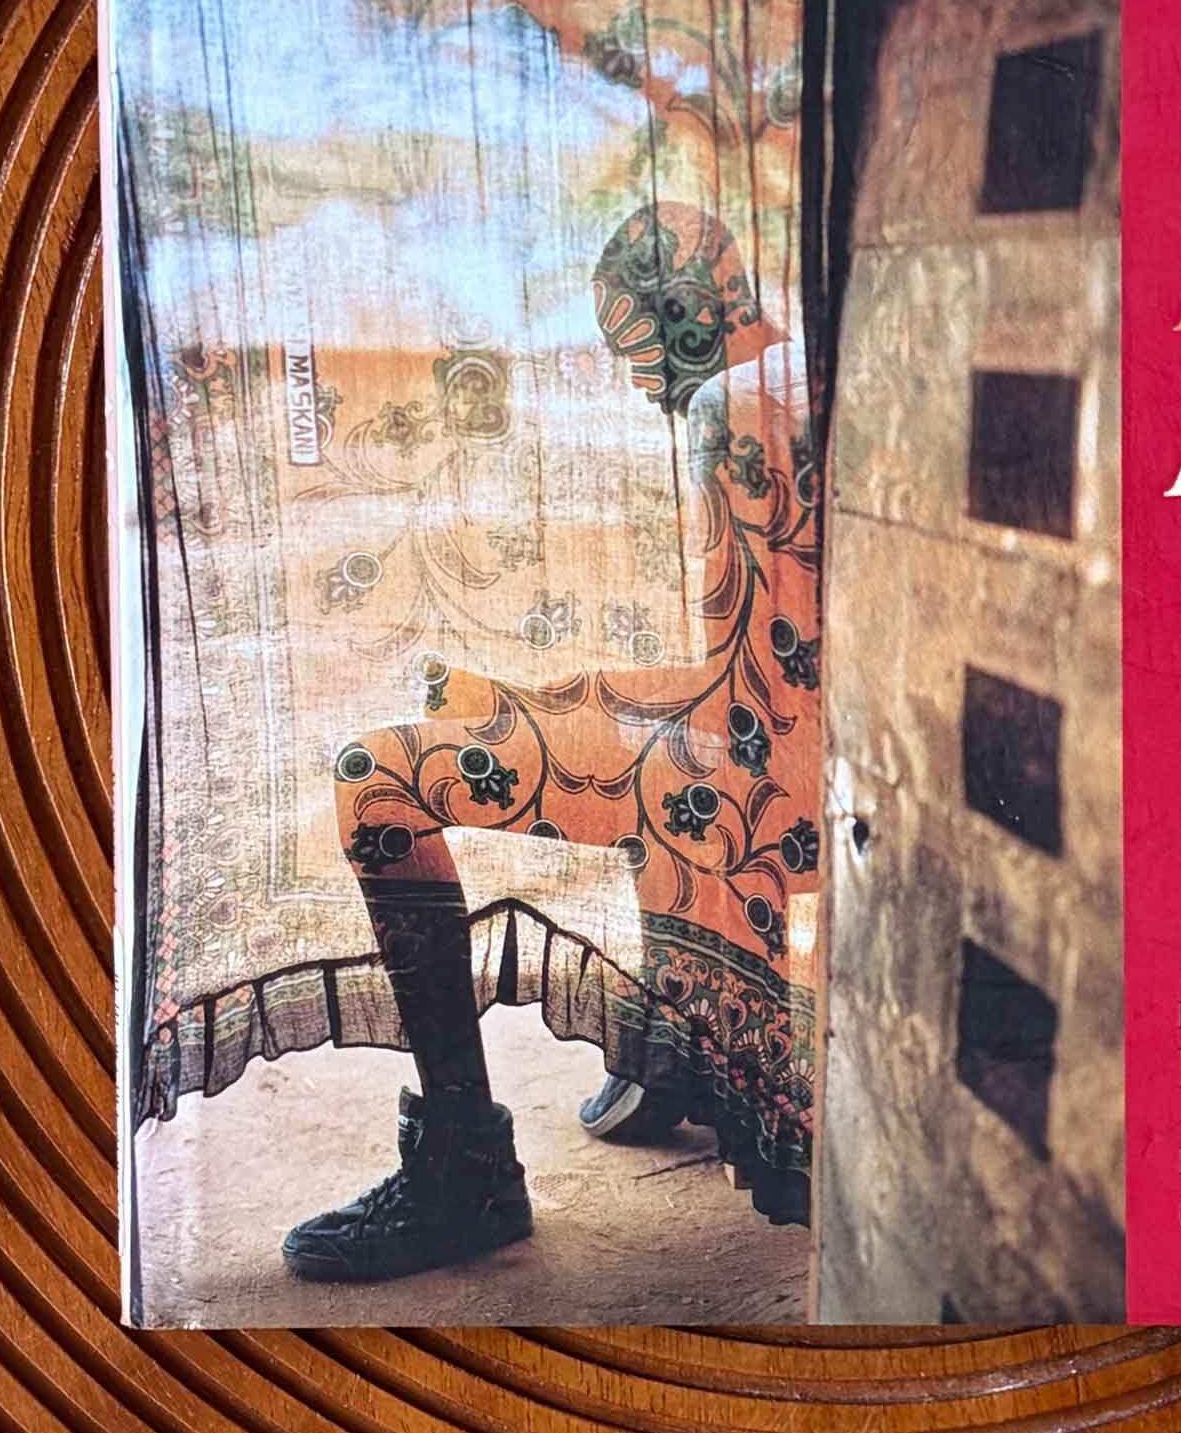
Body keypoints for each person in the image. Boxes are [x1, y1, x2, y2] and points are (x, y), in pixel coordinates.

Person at [281, 201, 823, 1284]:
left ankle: (463, 1161)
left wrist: (554, 709)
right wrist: (554, 697)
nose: (639, 390)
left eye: (636, 354)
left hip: (779, 789)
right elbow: (776, 676)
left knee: (375, 779)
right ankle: (675, 1052)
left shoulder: (737, 411)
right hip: (827, 760)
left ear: (683, 316)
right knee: (583, 730)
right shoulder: (822, 376)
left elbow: (752, 718)